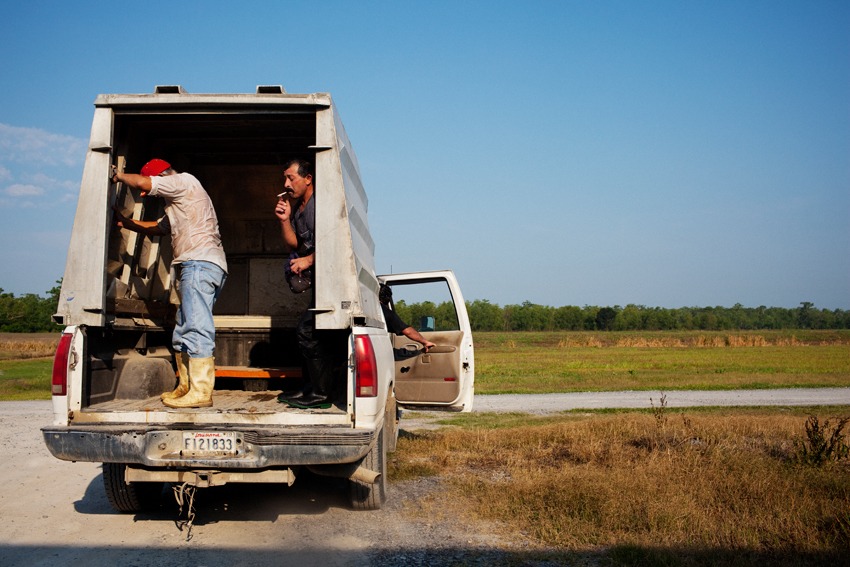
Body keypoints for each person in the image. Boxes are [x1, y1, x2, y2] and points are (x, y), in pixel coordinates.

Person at [111, 159, 227, 409]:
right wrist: (127, 223)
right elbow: (158, 228)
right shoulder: (179, 203)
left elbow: (144, 182)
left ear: (163, 176)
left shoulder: (183, 181)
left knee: (196, 326)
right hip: (196, 264)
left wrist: (118, 176)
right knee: (183, 328)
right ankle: (185, 386)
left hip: (199, 262)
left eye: (151, 190)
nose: (150, 194)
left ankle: (201, 391)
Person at [273, 159, 334, 409]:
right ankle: (311, 389)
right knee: (311, 334)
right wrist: (284, 219)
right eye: (285, 179)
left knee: (306, 332)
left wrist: (309, 260)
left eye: (291, 178)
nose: (286, 184)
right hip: (318, 283)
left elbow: (336, 241)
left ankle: (322, 393)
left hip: (331, 282)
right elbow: (293, 245)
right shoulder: (299, 208)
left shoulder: (322, 203)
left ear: (308, 178)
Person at [379, 284, 436, 354]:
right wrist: (425, 342)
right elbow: (407, 331)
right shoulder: (386, 312)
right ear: (387, 298)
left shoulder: (367, 309)